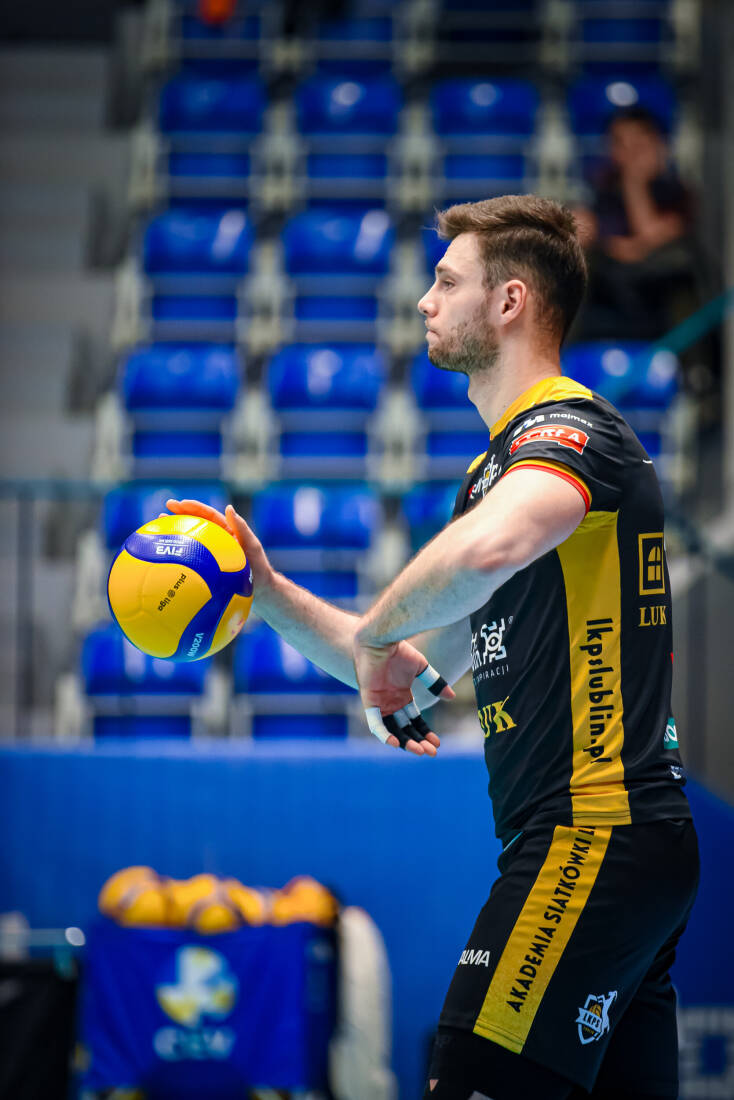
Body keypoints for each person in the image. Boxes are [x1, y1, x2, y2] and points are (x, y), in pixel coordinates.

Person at [167, 195, 699, 1100]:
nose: (425, 299)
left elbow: (485, 553)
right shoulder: (496, 474)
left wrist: (379, 633)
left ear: (510, 301)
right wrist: (267, 595)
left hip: (592, 836)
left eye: (448, 281)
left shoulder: (571, 433)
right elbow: (407, 673)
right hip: (617, 847)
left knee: (472, 1069)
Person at [572, 106, 706, 347]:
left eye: (638, 144)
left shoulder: (675, 192)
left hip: (657, 281)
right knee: (572, 266)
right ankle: (557, 357)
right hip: (610, 280)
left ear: (657, 145)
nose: (629, 153)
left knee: (681, 268)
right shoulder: (602, 188)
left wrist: (635, 183)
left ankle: (696, 366)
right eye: (620, 143)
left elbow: (652, 233)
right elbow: (587, 230)